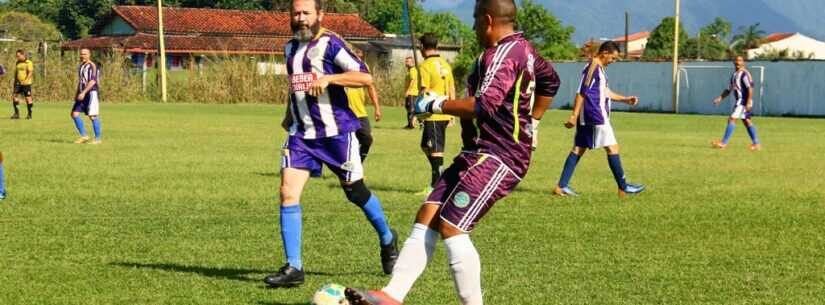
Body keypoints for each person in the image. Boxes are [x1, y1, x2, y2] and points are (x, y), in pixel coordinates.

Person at [344, 0, 560, 304]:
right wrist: (533, 123)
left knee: (452, 225)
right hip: (477, 153)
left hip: (501, 155)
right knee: (428, 214)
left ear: (487, 20)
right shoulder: (524, 50)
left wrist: (436, 104)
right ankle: (392, 296)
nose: (472, 27)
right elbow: (551, 80)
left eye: (474, 20)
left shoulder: (504, 54)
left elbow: (484, 105)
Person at [263, 0, 399, 288]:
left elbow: (365, 76)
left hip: (337, 134)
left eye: (306, 13)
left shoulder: (332, 44)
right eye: (296, 13)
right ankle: (294, 267)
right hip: (301, 136)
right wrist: (289, 117)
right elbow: (296, 89)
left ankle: (388, 238)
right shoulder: (289, 49)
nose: (300, 18)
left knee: (355, 192)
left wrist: (330, 78)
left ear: (319, 15)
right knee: (287, 192)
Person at [551, 41, 645, 198]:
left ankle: (561, 187)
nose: (613, 62)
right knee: (612, 148)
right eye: (613, 58)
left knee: (578, 149)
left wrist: (625, 99)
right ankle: (623, 187)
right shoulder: (593, 67)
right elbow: (581, 92)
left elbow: (605, 92)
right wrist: (573, 115)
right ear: (605, 53)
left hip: (589, 116)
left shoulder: (598, 69)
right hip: (595, 116)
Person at [415, 33, 456, 196]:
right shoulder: (445, 64)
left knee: (436, 149)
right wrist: (452, 112)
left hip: (434, 113)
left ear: (422, 48)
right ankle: (438, 173)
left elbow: (424, 90)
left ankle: (437, 185)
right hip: (445, 110)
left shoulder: (425, 65)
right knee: (425, 146)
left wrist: (416, 112)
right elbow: (452, 88)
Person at [711, 55, 761, 151]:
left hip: (743, 101)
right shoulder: (734, 75)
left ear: (743, 62)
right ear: (734, 62)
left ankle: (723, 143)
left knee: (731, 119)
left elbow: (750, 88)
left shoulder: (744, 74)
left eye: (740, 60)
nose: (738, 62)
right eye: (736, 60)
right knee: (746, 121)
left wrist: (748, 102)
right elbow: (729, 89)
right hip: (740, 101)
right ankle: (756, 144)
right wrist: (720, 98)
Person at [346, 48, 382, 162]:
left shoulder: (363, 68)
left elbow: (370, 87)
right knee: (346, 143)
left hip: (360, 112)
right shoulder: (341, 67)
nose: (356, 54)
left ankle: (358, 165)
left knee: (367, 139)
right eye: (354, 52)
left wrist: (377, 108)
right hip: (345, 112)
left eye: (359, 52)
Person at [71, 49, 102, 145]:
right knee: (74, 114)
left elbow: (93, 81)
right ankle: (84, 136)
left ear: (89, 55)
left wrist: (84, 92)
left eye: (85, 54)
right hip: (82, 93)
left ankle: (97, 139)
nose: (82, 56)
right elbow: (81, 81)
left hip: (91, 93)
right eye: (81, 54)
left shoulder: (92, 66)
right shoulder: (81, 66)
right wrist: (77, 93)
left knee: (92, 116)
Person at [11, 50, 34, 120]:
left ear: (23, 55)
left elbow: (30, 72)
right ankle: (16, 114)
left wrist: (26, 80)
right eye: (16, 56)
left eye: (18, 56)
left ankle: (29, 114)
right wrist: (15, 81)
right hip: (18, 83)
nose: (17, 57)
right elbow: (16, 73)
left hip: (26, 84)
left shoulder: (29, 62)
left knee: (28, 98)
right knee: (14, 97)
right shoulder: (17, 62)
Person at [403, 57, 418, 129]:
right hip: (410, 93)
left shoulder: (412, 70)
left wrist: (408, 91)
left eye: (407, 62)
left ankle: (412, 124)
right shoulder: (409, 71)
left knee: (411, 109)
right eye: (406, 61)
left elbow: (413, 81)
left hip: (412, 92)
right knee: (408, 107)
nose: (406, 63)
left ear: (412, 63)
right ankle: (410, 123)